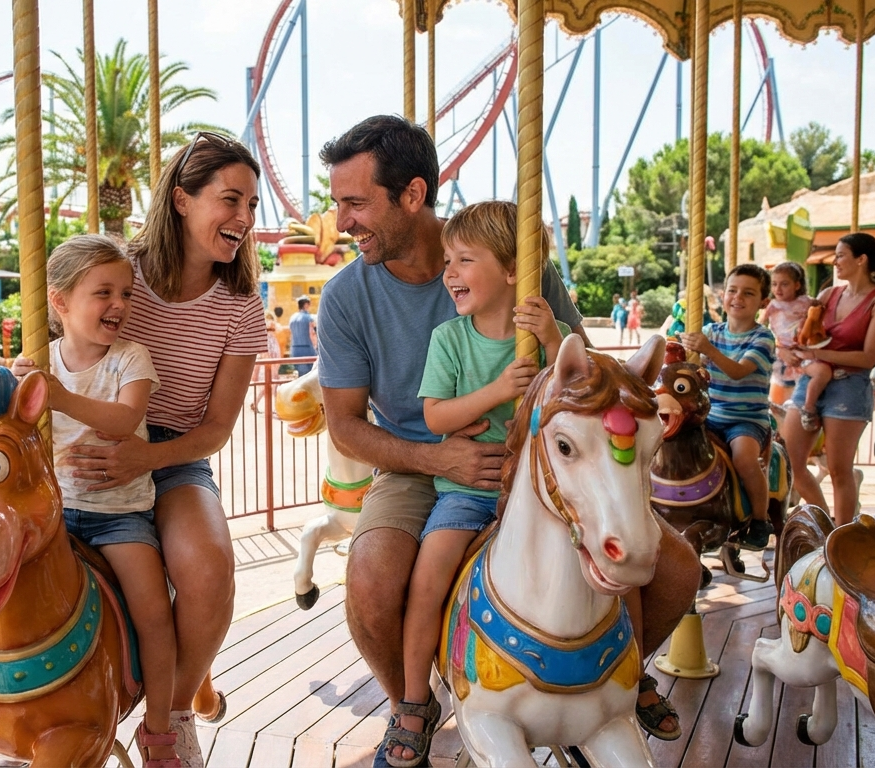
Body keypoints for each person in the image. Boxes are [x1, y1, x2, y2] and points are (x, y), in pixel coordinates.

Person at [315, 116, 698, 763]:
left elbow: (585, 376)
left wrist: (551, 338)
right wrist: (438, 457)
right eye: (339, 204)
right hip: (421, 465)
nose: (343, 220)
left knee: (673, 570)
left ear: (411, 195)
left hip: (540, 455)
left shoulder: (514, 264)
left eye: (355, 203)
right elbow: (346, 424)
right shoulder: (348, 296)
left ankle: (617, 684)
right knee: (375, 578)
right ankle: (413, 701)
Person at [14, 131, 266, 768]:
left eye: (252, 207)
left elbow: (215, 428)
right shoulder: (120, 273)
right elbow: (55, 331)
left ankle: (173, 714)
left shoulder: (240, 306)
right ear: (182, 199)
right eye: (230, 200)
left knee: (207, 567)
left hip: (172, 454)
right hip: (79, 462)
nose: (243, 219)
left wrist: (145, 456)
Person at [389, 202, 566, 766]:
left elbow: (577, 388)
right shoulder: (450, 339)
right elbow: (436, 418)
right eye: (448, 261)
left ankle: (628, 679)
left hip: (537, 489)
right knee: (428, 576)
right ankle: (416, 699)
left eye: (466, 260)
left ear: (515, 271)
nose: (450, 273)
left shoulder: (544, 334)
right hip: (468, 493)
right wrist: (498, 390)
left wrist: (555, 344)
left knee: (604, 561)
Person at [22, 234, 179, 766]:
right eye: (103, 292)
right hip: (56, 515)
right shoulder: (37, 360)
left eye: (126, 293)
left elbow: (126, 419)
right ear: (60, 302)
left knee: (154, 612)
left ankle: (159, 730)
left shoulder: (130, 359)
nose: (119, 305)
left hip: (119, 517)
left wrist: (59, 396)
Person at [779, 232, 875, 525]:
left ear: (862, 259)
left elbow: (870, 357)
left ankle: (843, 537)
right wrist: (790, 350)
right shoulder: (829, 295)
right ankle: (826, 525)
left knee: (839, 468)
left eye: (841, 255)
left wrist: (818, 356)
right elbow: (804, 333)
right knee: (791, 460)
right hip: (812, 379)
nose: (836, 261)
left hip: (850, 385)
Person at [680, 264, 777, 550]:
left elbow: (738, 371)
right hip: (709, 415)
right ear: (723, 295)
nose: (738, 297)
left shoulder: (762, 338)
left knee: (744, 458)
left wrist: (708, 350)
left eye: (748, 293)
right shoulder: (712, 331)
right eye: (732, 291)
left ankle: (760, 519)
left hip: (746, 419)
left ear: (763, 302)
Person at [763, 261, 811, 405]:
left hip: (803, 350)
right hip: (781, 351)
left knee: (802, 393)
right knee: (779, 394)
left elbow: (819, 313)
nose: (778, 289)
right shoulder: (773, 305)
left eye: (784, 284)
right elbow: (761, 326)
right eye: (774, 284)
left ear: (797, 285)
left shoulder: (806, 302)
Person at [251, 310, 282, 413]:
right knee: (273, 381)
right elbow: (279, 328)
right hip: (272, 347)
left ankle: (257, 402)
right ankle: (275, 407)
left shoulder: (262, 326)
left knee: (269, 382)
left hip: (268, 348)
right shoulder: (271, 323)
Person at [288, 296, 318, 376]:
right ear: (306, 305)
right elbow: (312, 333)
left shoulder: (292, 318)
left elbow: (290, 333)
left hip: (295, 349)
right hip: (307, 349)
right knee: (309, 375)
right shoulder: (309, 318)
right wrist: (316, 347)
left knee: (299, 375)